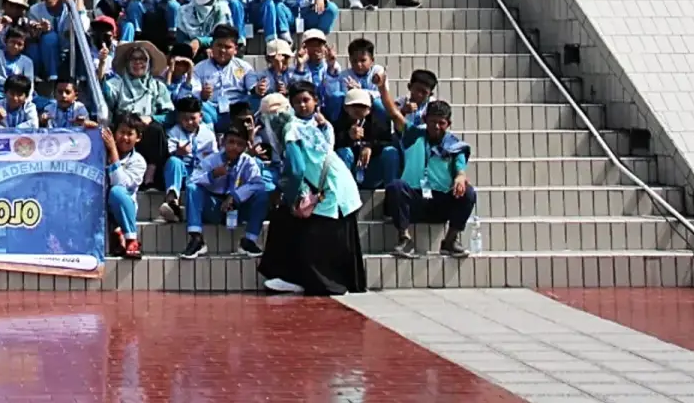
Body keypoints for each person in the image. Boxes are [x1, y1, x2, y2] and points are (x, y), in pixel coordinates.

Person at [256, 92, 365, 296]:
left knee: (303, 232)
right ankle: (290, 277)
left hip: (331, 191)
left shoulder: (290, 131)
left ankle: (303, 279)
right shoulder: (303, 126)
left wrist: (290, 196)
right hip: (336, 185)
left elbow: (296, 169)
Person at [385, 100, 475, 258]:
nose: (437, 127)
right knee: (396, 187)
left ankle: (450, 241)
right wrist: (382, 88)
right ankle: (405, 240)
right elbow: (394, 115)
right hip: (416, 200)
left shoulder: (455, 145)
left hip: (440, 202)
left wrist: (460, 178)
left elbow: (461, 170)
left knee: (468, 192)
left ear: (449, 124)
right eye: (433, 122)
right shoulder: (414, 135)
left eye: (442, 123)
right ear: (425, 119)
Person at [182, 126, 270, 259]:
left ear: (246, 146)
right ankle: (196, 239)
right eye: (231, 142)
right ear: (223, 143)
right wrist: (213, 175)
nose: (234, 147)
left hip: (238, 208)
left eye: (240, 144)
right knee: (193, 188)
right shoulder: (211, 160)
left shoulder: (249, 163)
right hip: (214, 206)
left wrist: (236, 196)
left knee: (262, 194)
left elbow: (258, 184)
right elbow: (192, 180)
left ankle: (249, 241)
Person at [101, 115, 147, 260]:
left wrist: (113, 152)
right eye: (121, 132)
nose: (124, 138)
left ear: (138, 138)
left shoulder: (138, 161)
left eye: (129, 134)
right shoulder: (101, 151)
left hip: (122, 207)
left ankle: (131, 240)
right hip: (99, 204)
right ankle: (116, 234)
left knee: (116, 192)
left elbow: (119, 183)